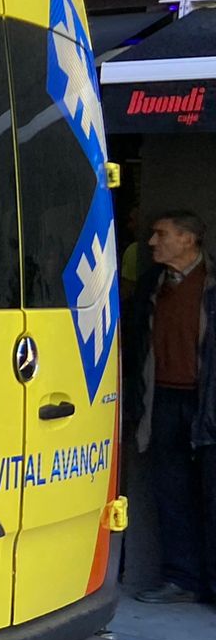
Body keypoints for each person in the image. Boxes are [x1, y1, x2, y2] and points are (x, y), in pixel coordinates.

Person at [128, 209, 216, 604]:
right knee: (172, 492)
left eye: (161, 234)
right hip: (162, 401)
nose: (151, 242)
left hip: (207, 403)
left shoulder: (212, 285)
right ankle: (181, 579)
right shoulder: (152, 284)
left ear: (188, 240)